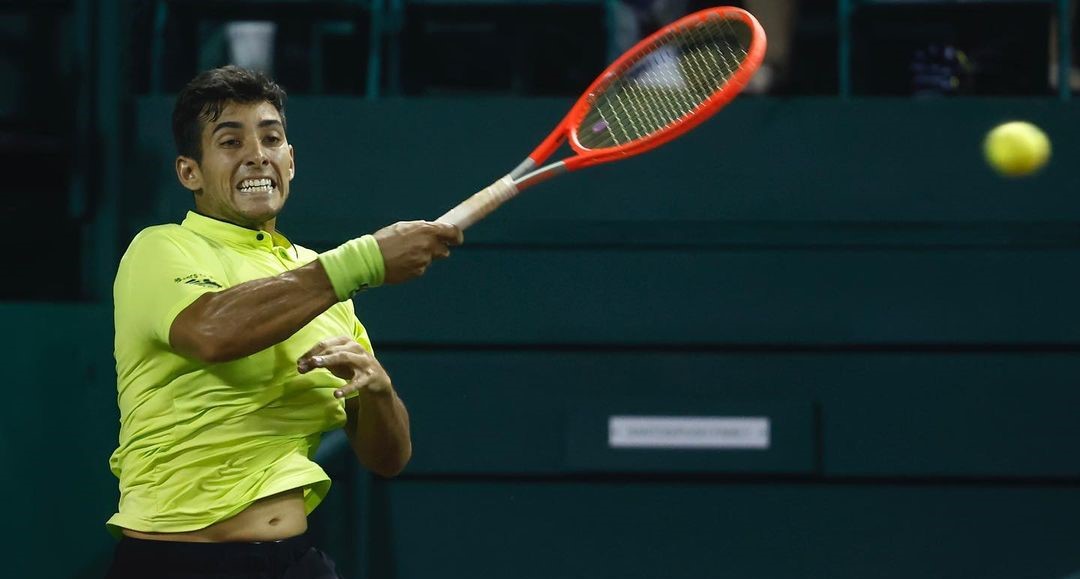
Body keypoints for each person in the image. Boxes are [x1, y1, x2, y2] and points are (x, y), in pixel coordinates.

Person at [105, 65, 462, 578]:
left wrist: (378, 391)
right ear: (190, 172)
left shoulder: (324, 284)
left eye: (271, 138)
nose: (257, 154)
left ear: (290, 161)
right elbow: (212, 333)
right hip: (176, 562)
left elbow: (388, 459)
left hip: (294, 561)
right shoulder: (162, 249)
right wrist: (364, 261)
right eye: (230, 142)